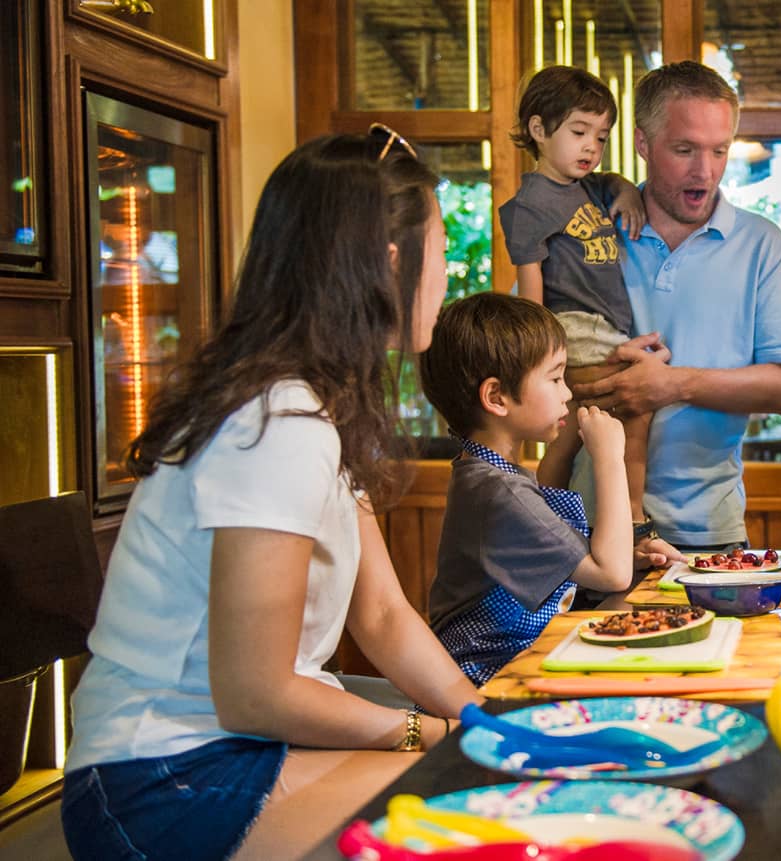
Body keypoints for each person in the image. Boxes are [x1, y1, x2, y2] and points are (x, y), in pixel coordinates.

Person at [59, 128, 484, 861]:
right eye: (441, 250)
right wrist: (426, 732)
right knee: (461, 821)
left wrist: (486, 718)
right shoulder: (278, 417)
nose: (448, 275)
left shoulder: (314, 403)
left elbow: (382, 614)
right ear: (387, 263)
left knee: (487, 777)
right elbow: (254, 691)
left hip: (238, 746)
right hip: (161, 776)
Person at [571, 61, 781, 551]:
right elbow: (525, 356)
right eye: (684, 150)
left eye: (719, 150)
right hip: (586, 529)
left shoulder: (764, 245)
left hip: (711, 533)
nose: (705, 170)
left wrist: (670, 384)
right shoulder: (587, 230)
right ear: (642, 144)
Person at [417, 292, 682, 684]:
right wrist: (610, 457)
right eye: (556, 378)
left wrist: (633, 555)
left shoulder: (490, 475)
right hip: (488, 679)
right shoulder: (497, 490)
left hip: (523, 660)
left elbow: (598, 567)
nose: (568, 393)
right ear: (496, 397)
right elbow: (611, 575)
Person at [500, 65, 651, 516]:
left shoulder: (588, 186)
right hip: (576, 328)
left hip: (600, 329)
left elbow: (613, 182)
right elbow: (531, 292)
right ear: (539, 129)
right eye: (579, 131)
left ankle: (546, 519)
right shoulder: (529, 205)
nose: (591, 146)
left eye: (601, 137)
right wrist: (539, 358)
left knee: (566, 441)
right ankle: (634, 513)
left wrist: (626, 192)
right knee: (638, 408)